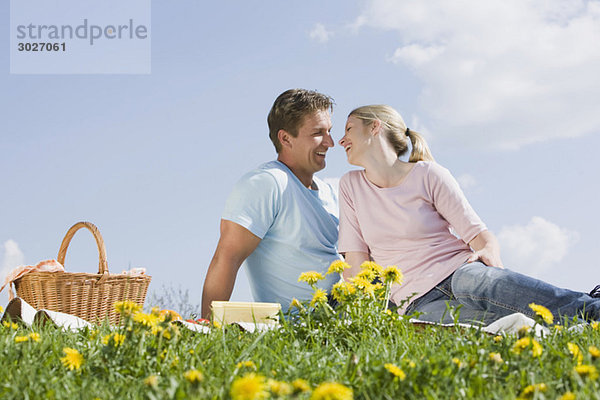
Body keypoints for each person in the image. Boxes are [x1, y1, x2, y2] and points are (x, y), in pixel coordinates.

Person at [337, 104, 600, 325]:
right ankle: (573, 334)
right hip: (415, 302)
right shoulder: (350, 185)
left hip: (459, 273)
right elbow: (356, 260)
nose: (342, 139)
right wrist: (364, 315)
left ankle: (592, 309)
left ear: (375, 127)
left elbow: (477, 233)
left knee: (495, 288)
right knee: (504, 328)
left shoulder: (428, 174)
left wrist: (488, 253)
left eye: (349, 129)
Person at [201, 89, 341, 319]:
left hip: (344, 319)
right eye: (318, 133)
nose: (330, 142)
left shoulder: (328, 191)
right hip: (299, 327)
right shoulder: (267, 183)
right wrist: (206, 326)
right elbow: (227, 257)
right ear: (285, 138)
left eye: (329, 132)